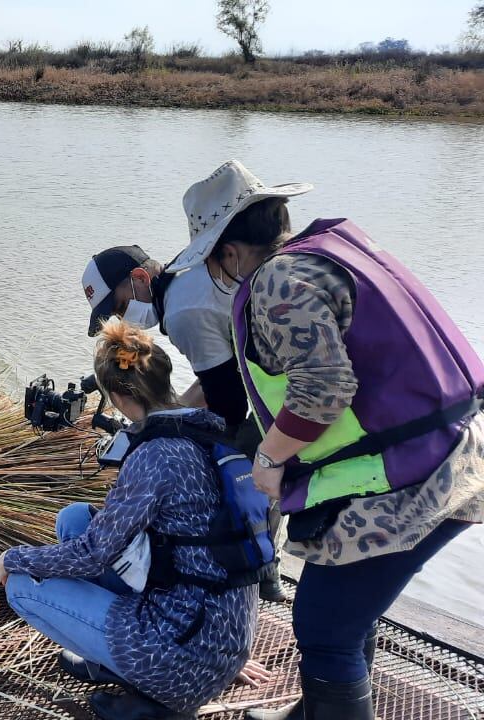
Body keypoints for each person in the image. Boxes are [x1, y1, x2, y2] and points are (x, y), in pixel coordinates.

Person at [172, 160, 484, 720]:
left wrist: (268, 459)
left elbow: (323, 388)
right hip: (456, 448)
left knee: (324, 626)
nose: (222, 273)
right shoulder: (334, 252)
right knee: (344, 611)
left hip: (410, 475)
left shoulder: (274, 281)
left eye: (218, 262)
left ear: (230, 251)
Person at [0, 319, 266, 720]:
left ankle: (152, 692)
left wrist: (12, 558)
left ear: (116, 394)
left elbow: (92, 556)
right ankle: (117, 659)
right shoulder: (205, 430)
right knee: (75, 520)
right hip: (218, 633)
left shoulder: (156, 455)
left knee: (22, 588)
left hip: (181, 659)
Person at [82, 176, 309, 604]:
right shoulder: (187, 279)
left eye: (115, 306)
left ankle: (251, 573)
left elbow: (227, 405)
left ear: (137, 279)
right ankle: (264, 568)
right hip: (284, 389)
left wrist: (165, 441)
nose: (121, 320)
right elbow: (219, 376)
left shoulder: (184, 309)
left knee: (229, 466)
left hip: (286, 400)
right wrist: (167, 416)